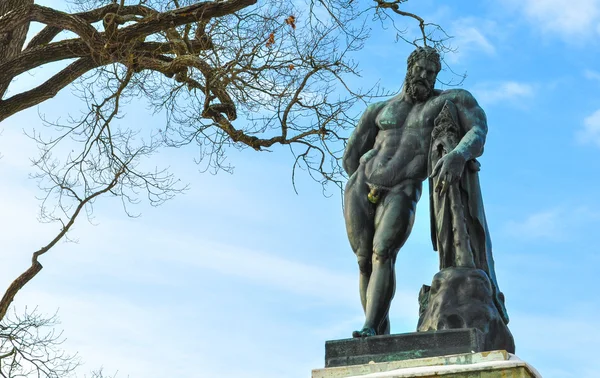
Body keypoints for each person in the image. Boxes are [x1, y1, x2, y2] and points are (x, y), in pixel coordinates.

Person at [342, 46, 508, 338]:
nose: (424, 75)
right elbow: (351, 155)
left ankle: (368, 327)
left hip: (403, 189)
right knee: (364, 260)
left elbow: (478, 131)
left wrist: (459, 154)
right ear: (409, 69)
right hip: (361, 186)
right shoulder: (379, 110)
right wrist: (365, 172)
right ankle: (377, 333)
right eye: (420, 69)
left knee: (383, 252)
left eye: (431, 72)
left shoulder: (448, 101)